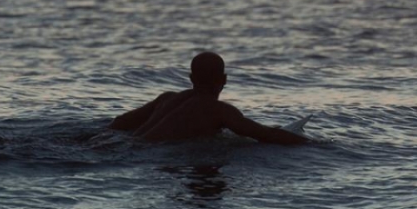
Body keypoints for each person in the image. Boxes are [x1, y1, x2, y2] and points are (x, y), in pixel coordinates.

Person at [111, 51, 309, 145]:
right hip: (140, 152)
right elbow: (266, 135)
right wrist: (316, 145)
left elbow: (119, 123)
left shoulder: (166, 99)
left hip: (113, 144)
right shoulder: (218, 110)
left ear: (191, 78)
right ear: (224, 79)